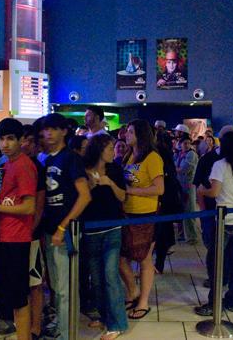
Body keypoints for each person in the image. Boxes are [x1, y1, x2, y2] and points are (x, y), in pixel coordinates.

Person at [0, 118, 37, 340]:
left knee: (19, 295)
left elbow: (29, 206)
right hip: (5, 234)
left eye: (10, 138)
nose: (5, 143)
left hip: (17, 237)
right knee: (13, 294)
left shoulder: (23, 165)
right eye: (2, 138)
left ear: (21, 140)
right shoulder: (6, 163)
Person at [42, 113, 91, 340]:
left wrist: (63, 227)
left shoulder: (71, 158)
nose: (48, 133)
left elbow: (84, 196)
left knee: (65, 286)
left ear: (64, 131)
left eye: (53, 128)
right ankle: (61, 325)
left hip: (66, 231)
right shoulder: (48, 159)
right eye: (46, 129)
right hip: (50, 229)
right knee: (57, 285)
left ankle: (67, 332)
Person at [194, 131, 233, 314]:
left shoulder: (219, 165)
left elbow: (215, 192)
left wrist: (203, 190)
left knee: (216, 262)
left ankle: (213, 303)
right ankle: (232, 300)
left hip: (224, 221)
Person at [82, 134, 128, 340]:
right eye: (110, 148)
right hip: (91, 230)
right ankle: (103, 315)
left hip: (112, 229)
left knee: (110, 275)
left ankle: (117, 323)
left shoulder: (115, 169)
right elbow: (81, 198)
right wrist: (92, 184)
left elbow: (123, 196)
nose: (113, 151)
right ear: (99, 150)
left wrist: (109, 183)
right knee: (97, 279)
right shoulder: (84, 170)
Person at [120, 119, 164, 320]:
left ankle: (143, 301)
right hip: (127, 213)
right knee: (121, 258)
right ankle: (132, 291)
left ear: (141, 134)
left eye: (130, 132)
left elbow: (159, 188)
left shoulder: (153, 158)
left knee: (145, 259)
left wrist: (132, 190)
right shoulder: (129, 155)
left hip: (145, 214)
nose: (126, 135)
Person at [20, 124, 47, 339]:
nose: (25, 144)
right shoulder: (6, 164)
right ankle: (22, 323)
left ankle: (35, 325)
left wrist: (31, 230)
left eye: (30, 141)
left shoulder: (38, 166)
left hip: (31, 234)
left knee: (34, 282)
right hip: (9, 235)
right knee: (19, 282)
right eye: (23, 140)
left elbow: (39, 204)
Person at [154, 131, 182, 273]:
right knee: (163, 229)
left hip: (162, 199)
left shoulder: (158, 152)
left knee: (161, 231)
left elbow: (168, 177)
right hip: (162, 198)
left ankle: (159, 263)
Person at [175, 136, 199, 245]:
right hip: (180, 185)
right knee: (181, 210)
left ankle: (192, 237)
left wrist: (174, 169)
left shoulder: (191, 154)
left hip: (188, 186)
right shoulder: (178, 154)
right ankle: (182, 235)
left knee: (190, 210)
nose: (187, 145)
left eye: (188, 143)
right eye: (184, 143)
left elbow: (185, 169)